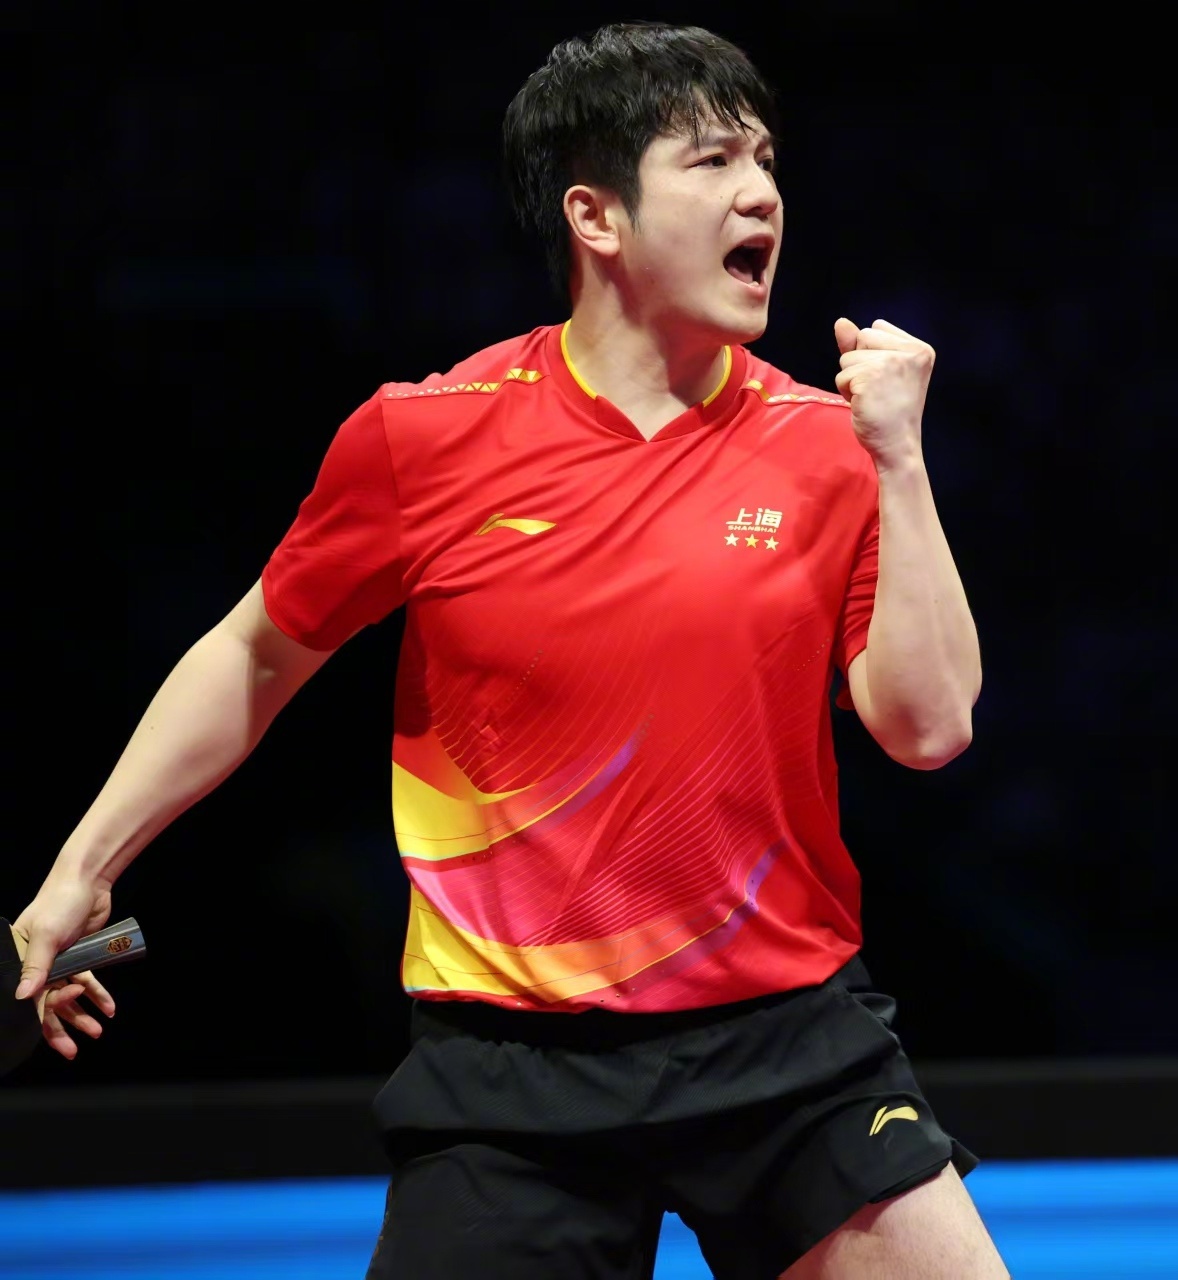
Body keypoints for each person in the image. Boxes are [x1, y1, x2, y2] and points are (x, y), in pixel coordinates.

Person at [10, 21, 1002, 1280]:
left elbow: (930, 727)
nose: (761, 192)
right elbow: (253, 656)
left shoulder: (830, 445)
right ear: (596, 217)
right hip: (514, 1065)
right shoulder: (424, 437)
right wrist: (83, 864)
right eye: (711, 161)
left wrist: (900, 459)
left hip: (782, 1041)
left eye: (765, 159)